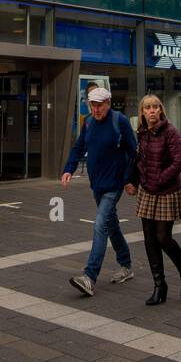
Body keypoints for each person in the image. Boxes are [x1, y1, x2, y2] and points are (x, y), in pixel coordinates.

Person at [62, 86, 137, 297]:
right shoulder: (88, 122)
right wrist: (69, 169)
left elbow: (134, 151)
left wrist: (130, 180)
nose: (95, 109)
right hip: (97, 184)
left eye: (99, 105)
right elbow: (78, 147)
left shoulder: (118, 120)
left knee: (100, 225)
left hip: (114, 185)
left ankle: (89, 277)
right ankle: (126, 266)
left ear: (108, 103)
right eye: (92, 105)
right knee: (112, 225)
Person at [126, 94, 181, 305]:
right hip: (147, 190)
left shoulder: (170, 131)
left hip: (166, 191)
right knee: (148, 238)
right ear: (143, 112)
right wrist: (133, 182)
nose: (152, 111)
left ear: (161, 110)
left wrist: (160, 179)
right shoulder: (142, 132)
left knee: (163, 238)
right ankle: (159, 286)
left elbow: (179, 161)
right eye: (147, 108)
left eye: (155, 107)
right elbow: (139, 160)